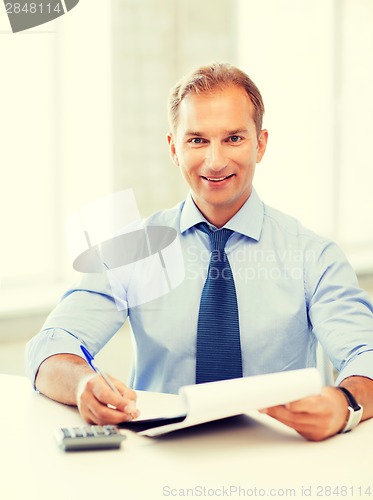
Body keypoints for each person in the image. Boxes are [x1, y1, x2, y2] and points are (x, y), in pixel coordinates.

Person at [26, 62, 373, 441]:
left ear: (261, 143)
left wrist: (345, 403)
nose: (215, 161)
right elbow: (52, 345)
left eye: (234, 138)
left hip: (280, 455)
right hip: (161, 458)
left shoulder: (314, 255)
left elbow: (364, 353)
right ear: (174, 148)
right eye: (197, 140)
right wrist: (81, 384)